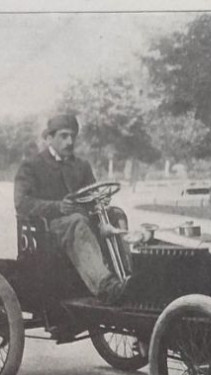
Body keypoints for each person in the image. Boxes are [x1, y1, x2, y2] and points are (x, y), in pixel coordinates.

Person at [13, 113, 128, 303]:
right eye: (64, 136)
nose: (70, 141)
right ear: (49, 138)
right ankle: (105, 286)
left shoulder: (81, 166)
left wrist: (100, 202)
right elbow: (22, 203)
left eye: (73, 136)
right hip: (48, 230)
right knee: (77, 221)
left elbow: (92, 196)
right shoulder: (32, 166)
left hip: (81, 222)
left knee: (116, 215)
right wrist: (58, 207)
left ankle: (126, 276)